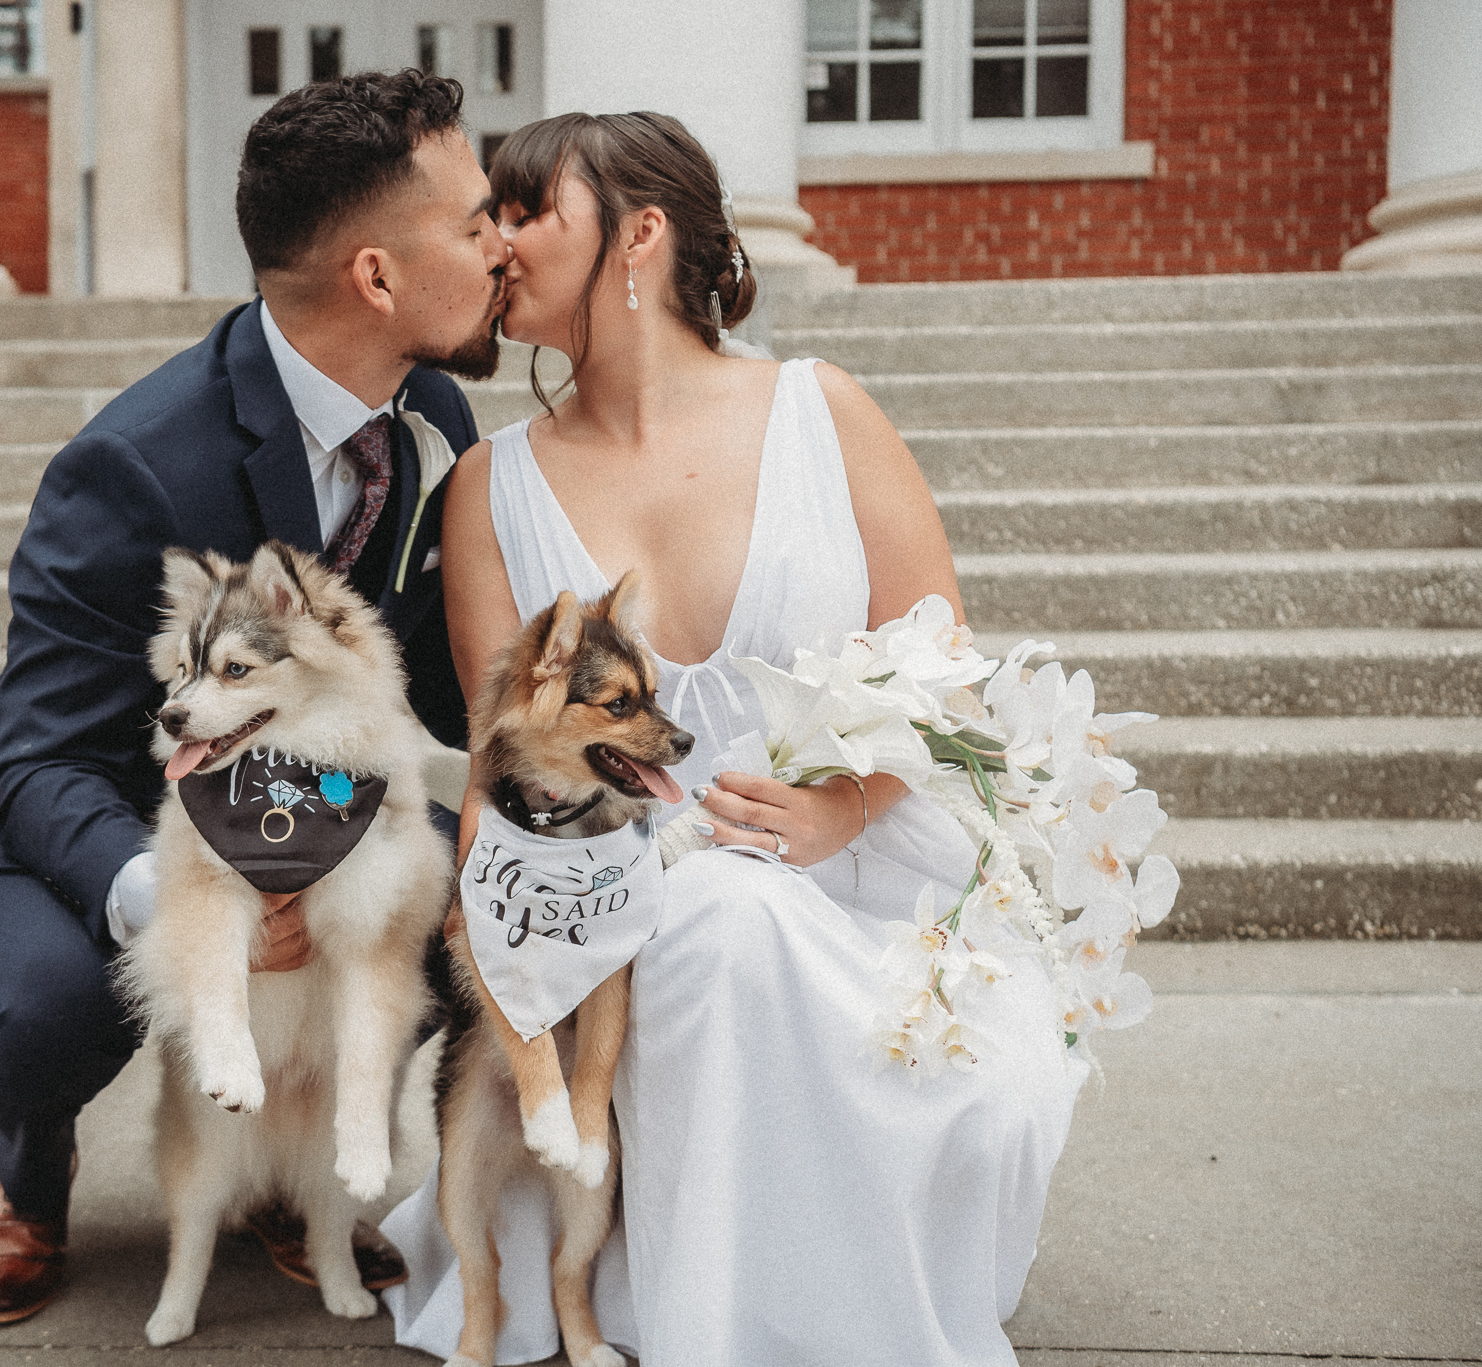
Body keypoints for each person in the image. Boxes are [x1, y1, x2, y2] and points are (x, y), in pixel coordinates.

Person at [379, 112, 1088, 1366]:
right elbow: (504, 771)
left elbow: (944, 672)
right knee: (710, 918)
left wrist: (843, 809)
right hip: (609, 906)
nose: (495, 238)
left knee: (738, 916)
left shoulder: (824, 413)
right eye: (487, 211)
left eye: (527, 208)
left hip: (851, 880)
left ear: (637, 233)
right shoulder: (489, 487)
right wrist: (496, 941)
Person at [0, 69, 510, 1326]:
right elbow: (38, 757)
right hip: (102, 816)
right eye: (472, 222)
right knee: (43, 1007)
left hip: (309, 802)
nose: (502, 244)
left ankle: (297, 1169)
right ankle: (25, 1157)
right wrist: (192, 899)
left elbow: (438, 694)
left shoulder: (432, 413)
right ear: (376, 277)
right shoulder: (132, 461)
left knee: (483, 902)